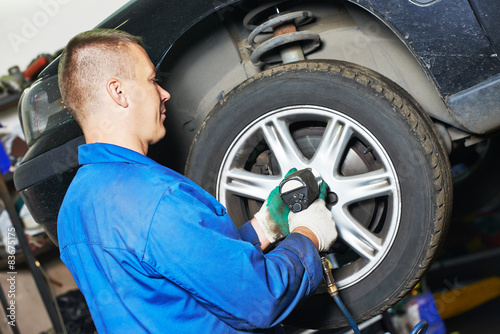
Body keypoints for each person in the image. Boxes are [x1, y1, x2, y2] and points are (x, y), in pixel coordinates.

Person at [57, 29, 338, 334]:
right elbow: (259, 299)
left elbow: (178, 277)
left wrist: (264, 226)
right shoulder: (156, 198)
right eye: (151, 80)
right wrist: (308, 234)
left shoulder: (72, 209)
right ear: (118, 92)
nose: (164, 93)